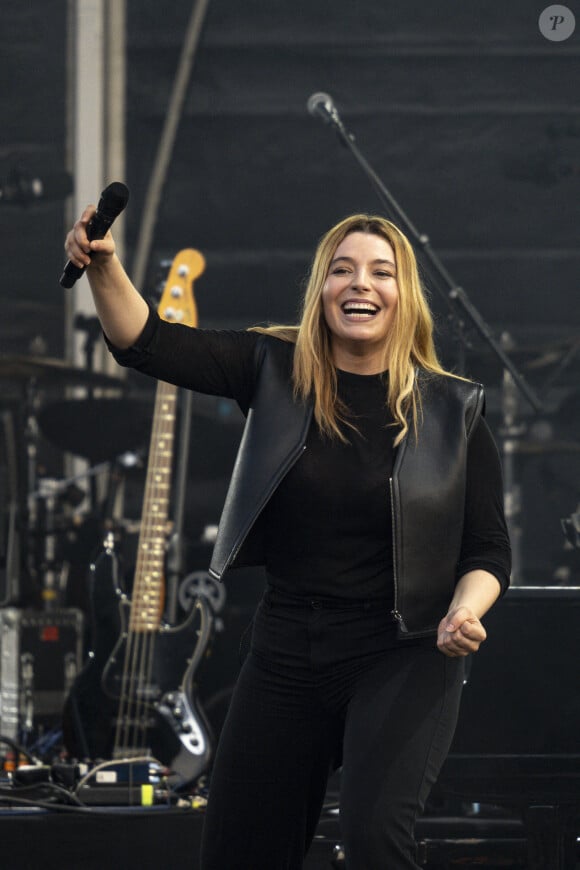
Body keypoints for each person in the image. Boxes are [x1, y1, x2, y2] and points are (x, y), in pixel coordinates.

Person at [65, 208, 511, 870]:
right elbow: (147, 341)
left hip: (403, 649)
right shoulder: (273, 369)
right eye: (342, 269)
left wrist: (465, 610)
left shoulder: (453, 411)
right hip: (288, 648)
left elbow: (486, 553)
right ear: (322, 289)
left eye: (380, 272)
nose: (360, 283)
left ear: (403, 295)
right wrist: (104, 266)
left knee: (372, 841)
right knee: (239, 848)